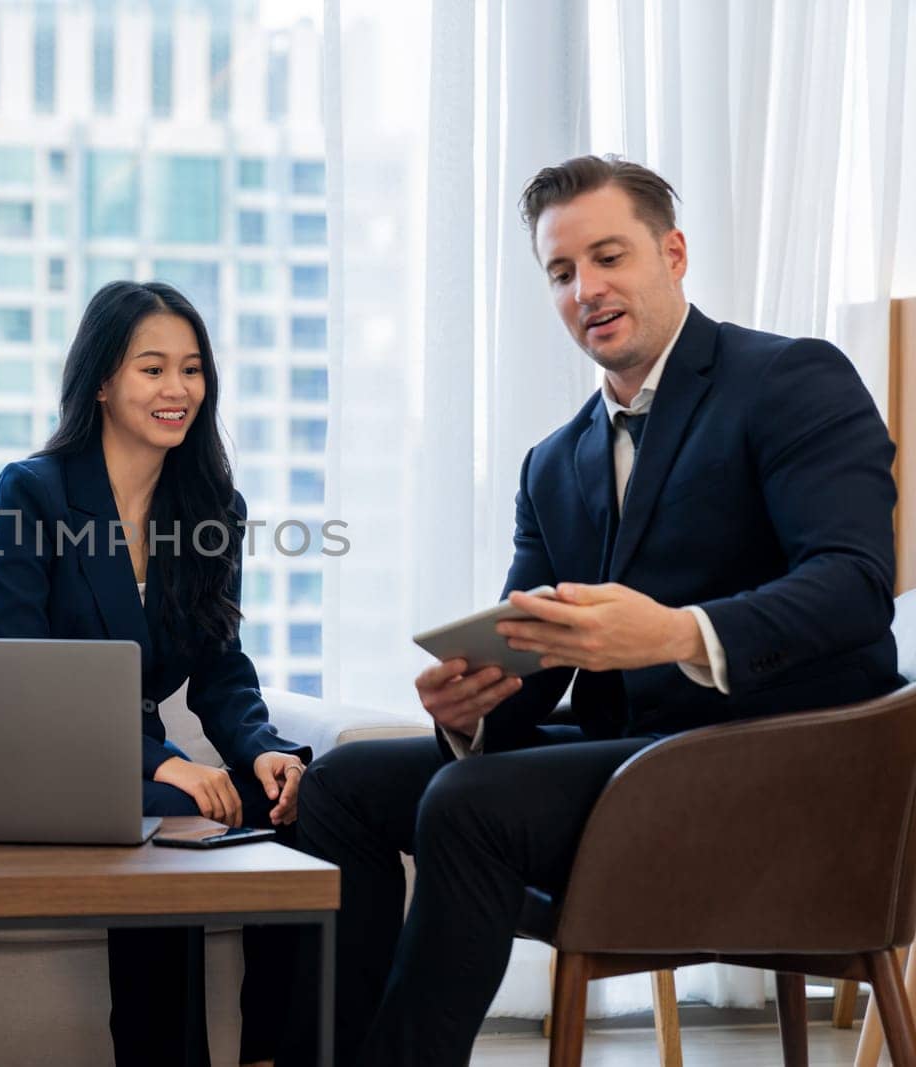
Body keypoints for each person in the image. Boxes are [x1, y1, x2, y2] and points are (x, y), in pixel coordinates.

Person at [281, 155, 902, 1065]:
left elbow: (854, 581)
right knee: (345, 784)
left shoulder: (791, 379)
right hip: (633, 766)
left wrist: (679, 631)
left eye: (609, 257)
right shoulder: (553, 461)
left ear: (674, 252)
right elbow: (536, 665)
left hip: (783, 773)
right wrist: (475, 702)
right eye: (562, 272)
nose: (587, 289)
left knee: (471, 802)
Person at [0, 280, 314, 1066]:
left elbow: (221, 663)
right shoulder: (33, 490)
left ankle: (273, 1052)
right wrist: (158, 757)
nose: (178, 390)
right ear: (102, 380)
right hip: (47, 755)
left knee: (303, 799)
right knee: (177, 809)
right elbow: (20, 670)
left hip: (142, 759)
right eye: (152, 368)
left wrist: (263, 748)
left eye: (192, 369)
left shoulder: (212, 507)